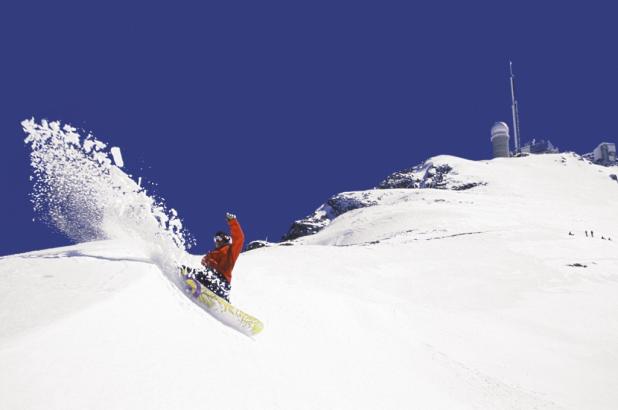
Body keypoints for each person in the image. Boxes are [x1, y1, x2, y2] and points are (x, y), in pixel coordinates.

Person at [194, 212, 245, 302]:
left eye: (219, 238)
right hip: (209, 276)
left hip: (222, 282)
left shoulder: (230, 250)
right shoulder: (212, 253)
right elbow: (204, 261)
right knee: (199, 273)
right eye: (215, 239)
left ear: (225, 239)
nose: (216, 241)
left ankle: (223, 300)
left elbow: (239, 239)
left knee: (213, 280)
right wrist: (208, 261)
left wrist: (232, 221)